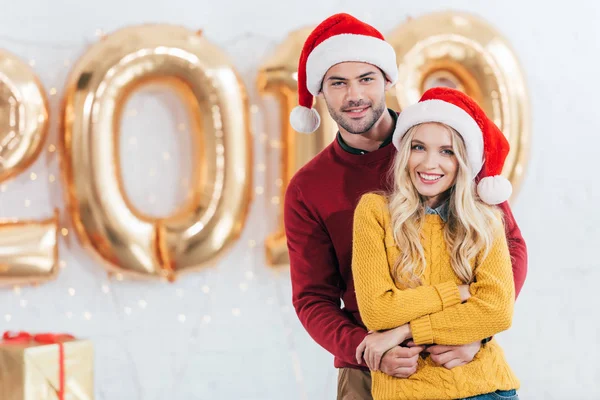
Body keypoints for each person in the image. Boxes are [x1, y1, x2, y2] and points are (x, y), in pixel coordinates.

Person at [283, 13, 527, 400]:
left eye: (366, 79)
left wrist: (474, 332)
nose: (354, 95)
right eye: (338, 83)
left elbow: (508, 245)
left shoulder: (441, 147)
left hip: (458, 360)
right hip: (373, 365)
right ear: (321, 92)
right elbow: (313, 298)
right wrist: (367, 349)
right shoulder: (308, 188)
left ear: (387, 80)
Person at [352, 87, 520, 399]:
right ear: (404, 152)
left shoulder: (486, 220)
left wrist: (404, 331)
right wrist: (456, 293)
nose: (430, 164)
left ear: (463, 161)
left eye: (447, 151)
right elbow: (377, 311)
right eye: (418, 147)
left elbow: (496, 311)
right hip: (408, 391)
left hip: (484, 389)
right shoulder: (374, 212)